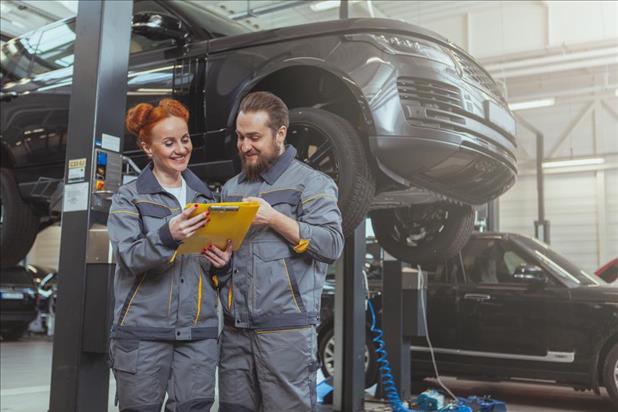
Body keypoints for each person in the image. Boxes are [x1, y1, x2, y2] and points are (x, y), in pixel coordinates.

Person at [218, 91, 344, 411]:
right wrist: (219, 262)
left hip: (285, 333)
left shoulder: (312, 184)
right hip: (235, 332)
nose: (245, 146)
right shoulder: (231, 189)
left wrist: (274, 218)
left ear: (281, 134)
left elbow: (330, 245)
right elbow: (228, 259)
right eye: (240, 137)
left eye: (255, 137)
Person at [107, 98, 232, 412]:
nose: (180, 149)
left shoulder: (207, 198)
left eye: (185, 139)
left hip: (198, 334)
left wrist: (222, 265)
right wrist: (168, 235)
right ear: (148, 148)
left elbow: (208, 268)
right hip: (143, 335)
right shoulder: (129, 197)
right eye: (169, 142)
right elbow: (129, 257)